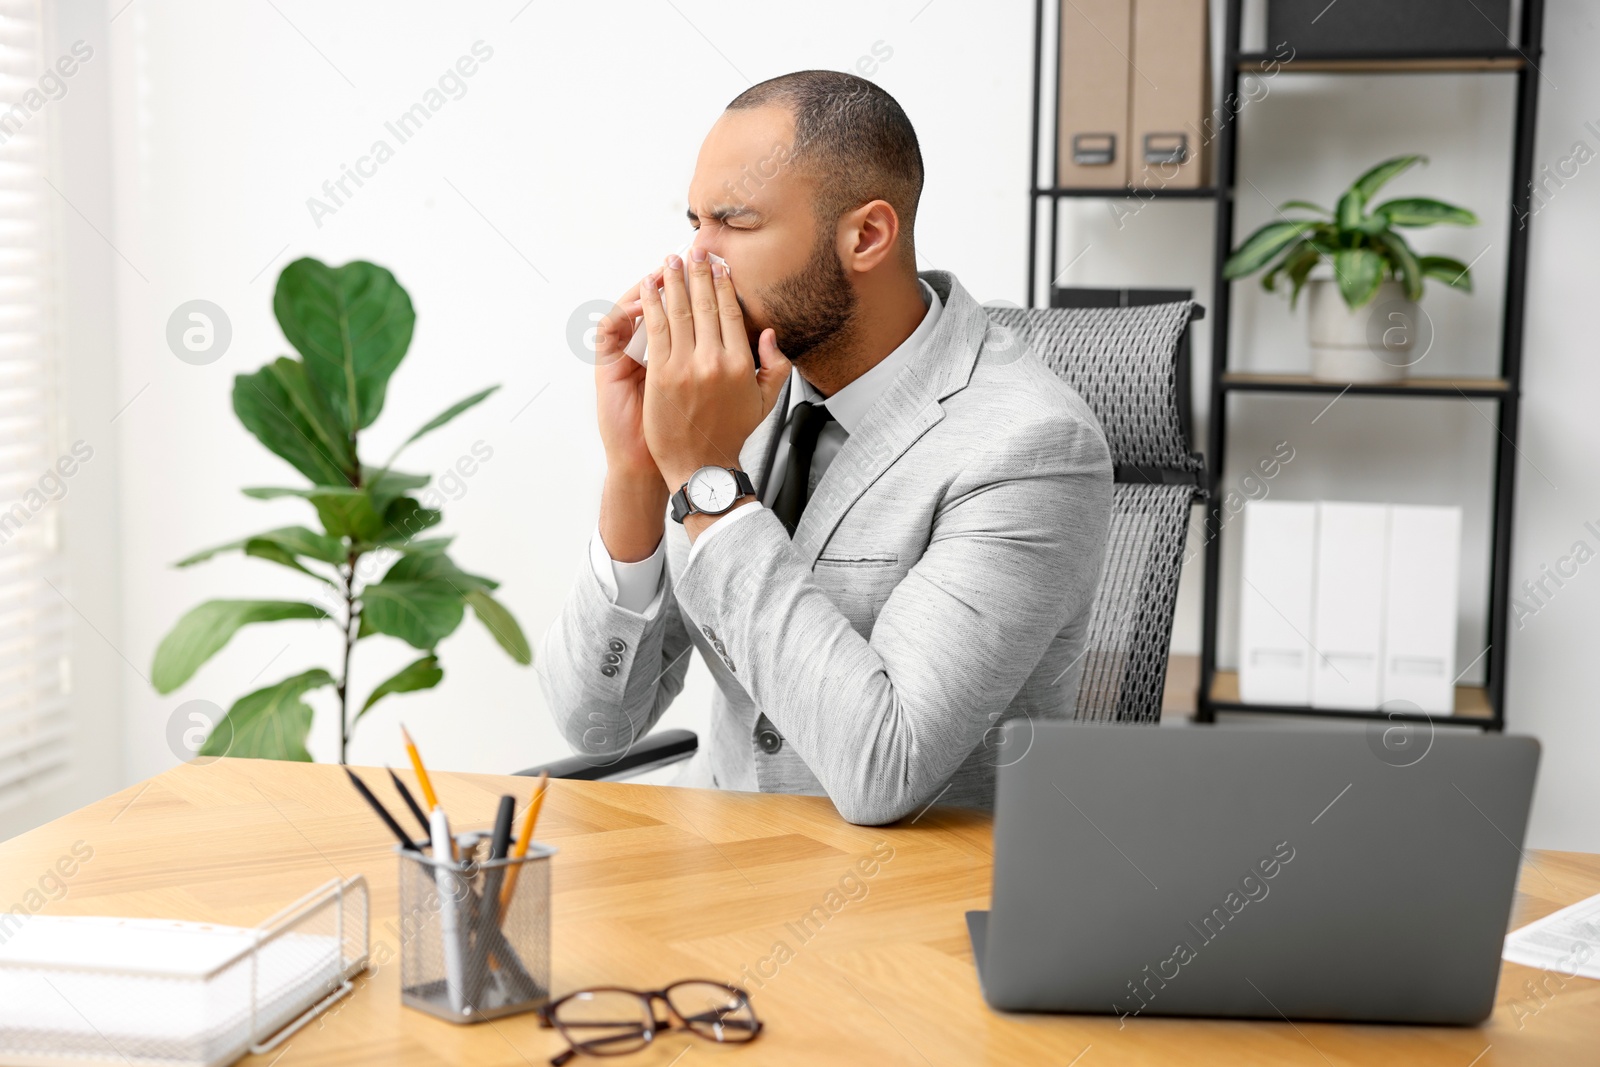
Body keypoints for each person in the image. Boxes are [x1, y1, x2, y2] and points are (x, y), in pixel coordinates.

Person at [536, 70, 1111, 825]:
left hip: (903, 917)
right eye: (694, 222)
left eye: (734, 225)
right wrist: (640, 469)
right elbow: (596, 725)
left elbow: (884, 768)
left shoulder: (1033, 446)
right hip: (723, 886)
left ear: (866, 236)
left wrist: (709, 480)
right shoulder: (736, 393)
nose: (691, 264)